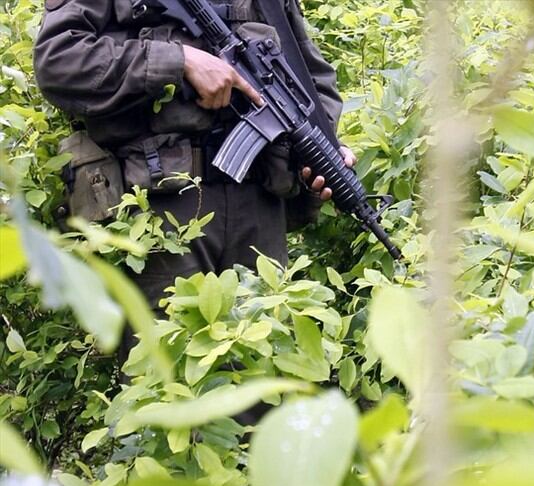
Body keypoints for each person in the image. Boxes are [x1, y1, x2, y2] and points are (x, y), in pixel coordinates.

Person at [34, 0, 354, 315]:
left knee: (268, 360)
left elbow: (312, 79)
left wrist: (319, 143)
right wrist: (179, 60)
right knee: (165, 361)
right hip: (161, 211)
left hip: (259, 210)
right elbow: (59, 60)